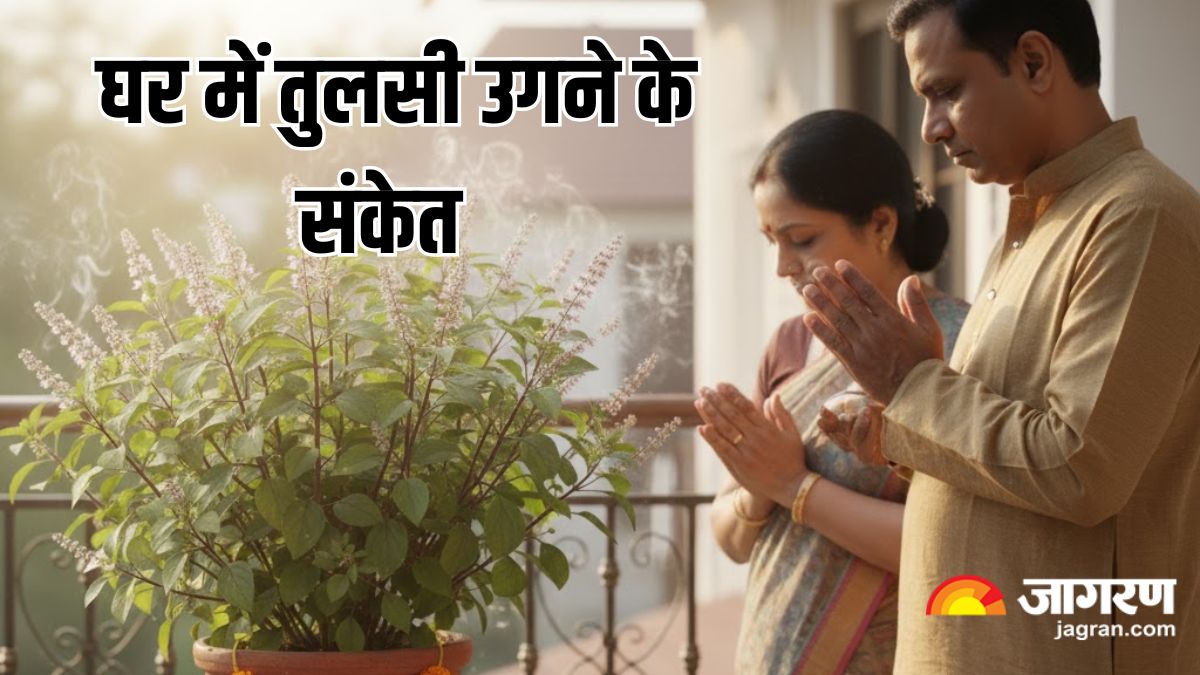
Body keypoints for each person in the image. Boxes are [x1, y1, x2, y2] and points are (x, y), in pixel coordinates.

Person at [798, 1, 1200, 673]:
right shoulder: (1036, 221)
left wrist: (913, 385)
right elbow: (1012, 441)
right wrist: (895, 430)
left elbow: (1078, 467)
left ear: (1035, 61)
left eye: (946, 91)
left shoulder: (1140, 216)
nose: (930, 129)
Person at [695, 109, 969, 674]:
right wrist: (757, 491)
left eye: (801, 239)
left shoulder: (958, 345)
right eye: (771, 240)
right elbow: (732, 537)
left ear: (882, 225)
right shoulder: (791, 346)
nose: (782, 266)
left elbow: (956, 544)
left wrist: (793, 484)